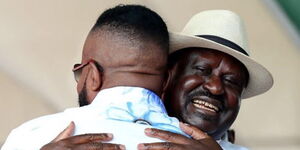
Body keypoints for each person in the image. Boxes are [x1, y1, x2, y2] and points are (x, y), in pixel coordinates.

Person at [1, 4, 192, 150]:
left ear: (93, 76)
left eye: (79, 73)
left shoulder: (34, 135)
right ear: (166, 80)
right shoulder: (203, 144)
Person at [137, 10, 273, 150]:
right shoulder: (120, 132)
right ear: (167, 78)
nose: (215, 88)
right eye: (202, 70)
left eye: (231, 81)